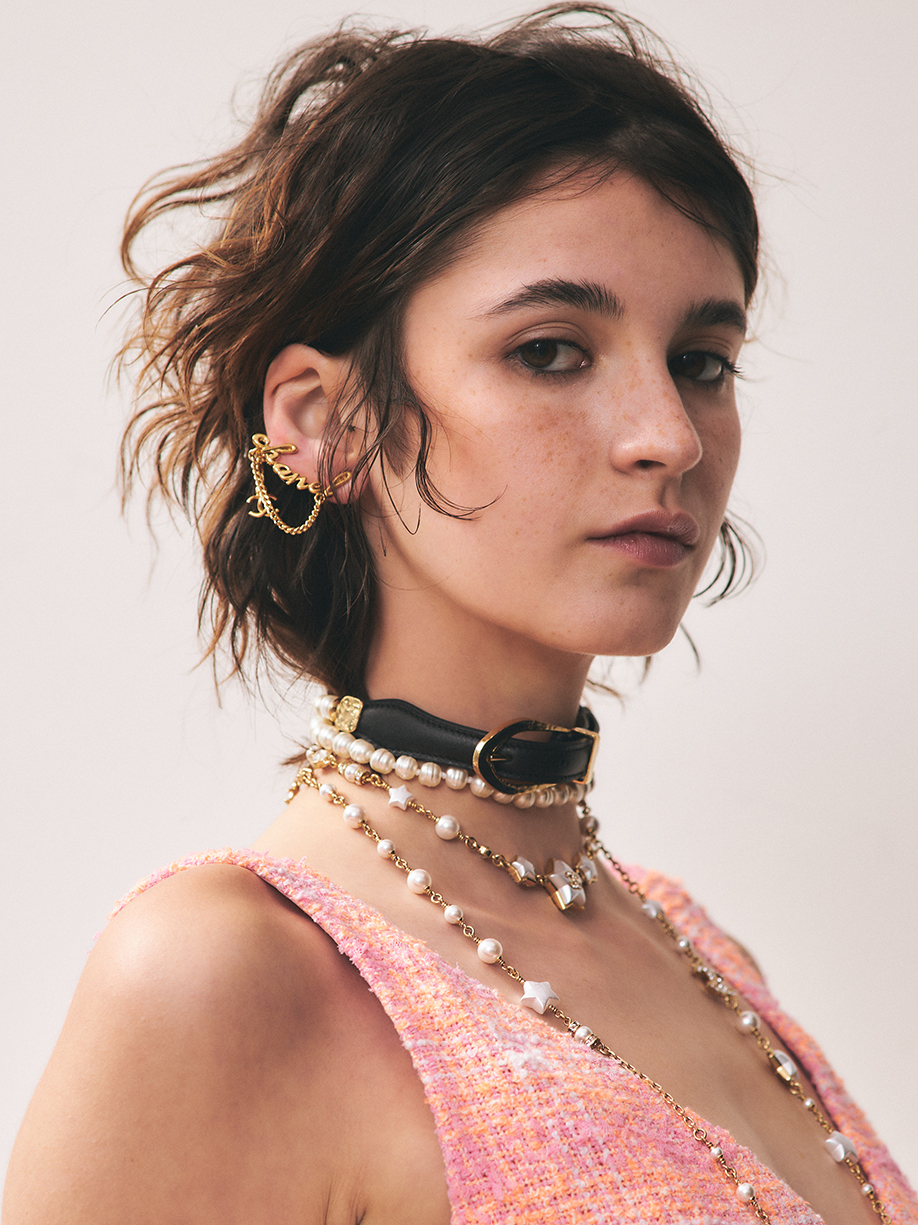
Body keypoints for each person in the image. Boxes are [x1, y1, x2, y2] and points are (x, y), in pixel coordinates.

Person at [4, 6, 915, 1223]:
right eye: (551, 351)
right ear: (326, 423)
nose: (669, 437)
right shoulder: (229, 971)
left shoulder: (703, 952)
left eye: (702, 358)